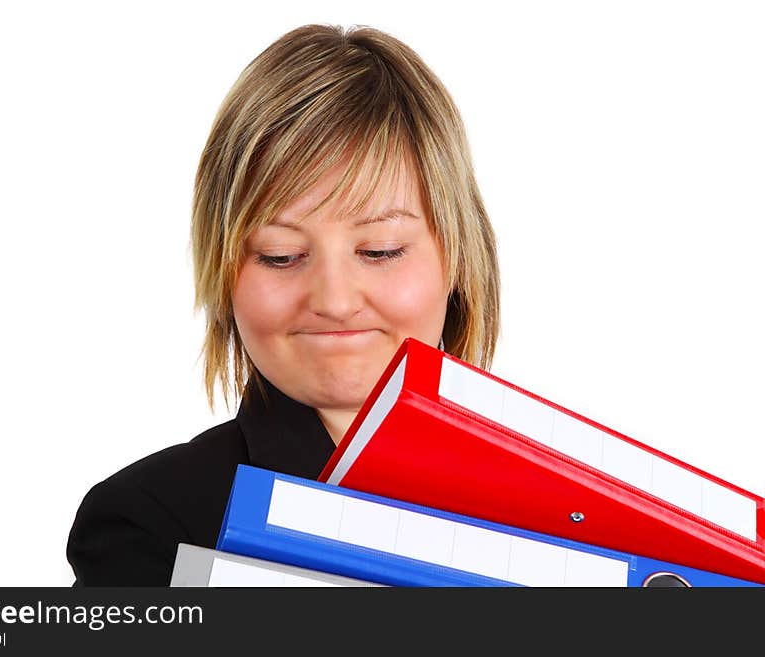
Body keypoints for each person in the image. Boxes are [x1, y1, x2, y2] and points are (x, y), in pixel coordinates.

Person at [66, 23, 501, 586]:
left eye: (381, 250)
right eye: (280, 254)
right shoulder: (150, 527)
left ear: (459, 258)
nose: (336, 301)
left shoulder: (574, 509)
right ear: (224, 271)